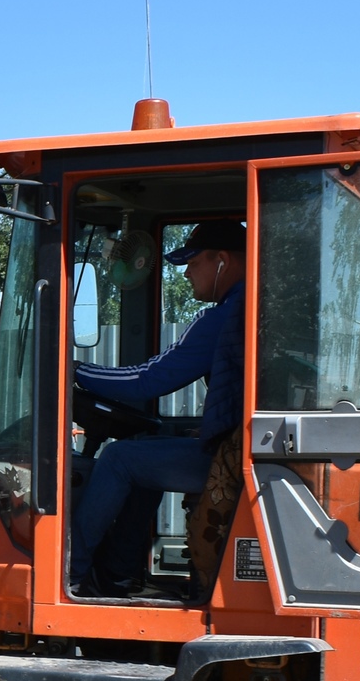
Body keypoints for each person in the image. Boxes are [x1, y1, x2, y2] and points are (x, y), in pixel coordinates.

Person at [69, 218, 248, 596]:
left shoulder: (227, 316)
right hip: (244, 452)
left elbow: (151, 379)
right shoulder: (250, 305)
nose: (185, 275)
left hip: (237, 462)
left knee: (120, 458)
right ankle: (117, 573)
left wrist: (75, 372)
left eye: (192, 262)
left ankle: (70, 573)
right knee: (147, 447)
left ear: (221, 260)